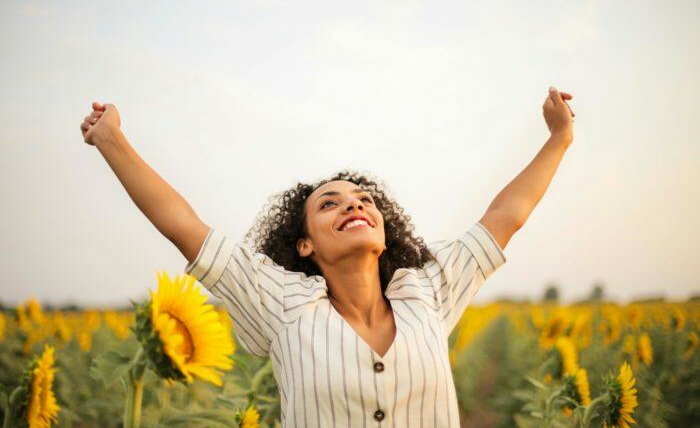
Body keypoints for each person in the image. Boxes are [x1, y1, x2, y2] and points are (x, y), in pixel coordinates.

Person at [79, 86, 575, 427]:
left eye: (363, 200)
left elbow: (505, 216)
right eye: (329, 203)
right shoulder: (281, 304)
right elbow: (183, 226)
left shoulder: (428, 290)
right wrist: (111, 139)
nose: (354, 204)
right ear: (305, 244)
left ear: (384, 230)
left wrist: (559, 139)